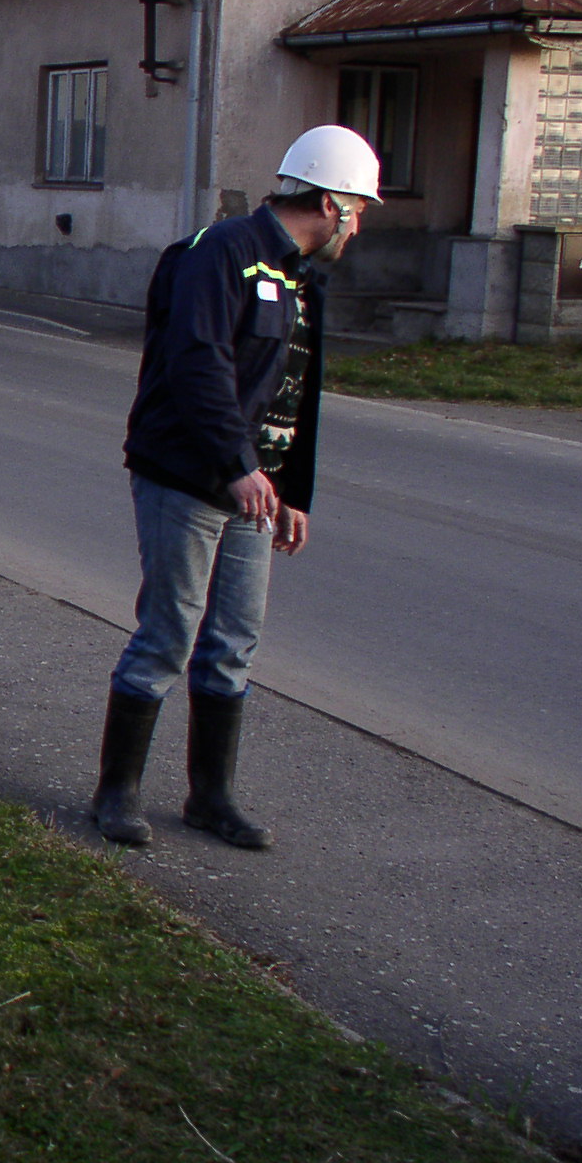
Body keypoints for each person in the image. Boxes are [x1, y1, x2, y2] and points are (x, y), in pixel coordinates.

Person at [90, 124, 381, 851]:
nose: (362, 226)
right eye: (361, 210)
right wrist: (234, 465)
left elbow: (293, 394)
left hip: (254, 491)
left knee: (232, 644)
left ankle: (210, 798)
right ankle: (115, 795)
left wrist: (293, 491)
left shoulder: (300, 281)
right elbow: (197, 366)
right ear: (332, 203)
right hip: (189, 477)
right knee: (168, 635)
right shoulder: (220, 255)